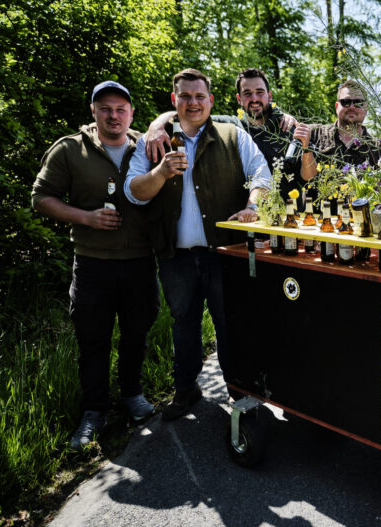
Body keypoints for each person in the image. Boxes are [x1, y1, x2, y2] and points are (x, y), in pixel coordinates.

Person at [124, 69, 271, 420]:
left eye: (199, 97)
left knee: (229, 323)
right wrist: (161, 171)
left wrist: (252, 206)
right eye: (185, 97)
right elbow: (134, 192)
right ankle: (185, 390)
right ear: (174, 101)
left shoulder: (232, 135)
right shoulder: (155, 142)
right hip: (176, 256)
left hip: (224, 253)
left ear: (211, 101)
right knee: (183, 324)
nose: (193, 103)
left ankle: (239, 393)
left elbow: (263, 174)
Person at [32, 81, 159, 450]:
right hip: (92, 265)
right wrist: (85, 218)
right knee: (92, 340)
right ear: (93, 111)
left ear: (132, 113)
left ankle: (133, 396)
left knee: (137, 332)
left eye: (121, 109)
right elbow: (41, 198)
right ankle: (94, 410)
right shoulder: (70, 150)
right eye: (105, 108)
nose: (113, 115)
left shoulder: (148, 147)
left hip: (139, 262)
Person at [143, 68, 316, 195]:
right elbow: (190, 112)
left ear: (269, 96)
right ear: (239, 99)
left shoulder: (288, 127)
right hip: (248, 222)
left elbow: (308, 177)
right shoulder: (230, 127)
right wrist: (156, 125)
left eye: (259, 92)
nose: (254, 99)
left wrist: (306, 147)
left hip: (289, 219)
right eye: (247, 93)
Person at [309, 79, 381, 168]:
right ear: (337, 107)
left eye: (358, 103)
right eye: (346, 102)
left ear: (366, 108)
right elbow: (294, 129)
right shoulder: (314, 134)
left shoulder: (378, 149)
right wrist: (287, 118)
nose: (352, 107)